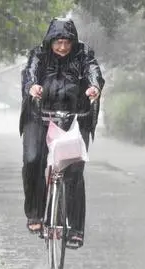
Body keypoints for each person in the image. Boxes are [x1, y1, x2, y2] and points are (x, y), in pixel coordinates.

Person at [19, 17, 105, 248]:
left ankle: (75, 228)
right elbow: (30, 74)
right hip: (39, 115)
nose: (63, 47)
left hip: (75, 117)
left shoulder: (83, 54)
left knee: (74, 171)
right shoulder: (39, 54)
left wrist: (94, 87)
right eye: (58, 42)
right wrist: (32, 87)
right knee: (33, 160)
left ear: (73, 41)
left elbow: (94, 72)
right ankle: (35, 213)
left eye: (67, 42)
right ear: (50, 40)